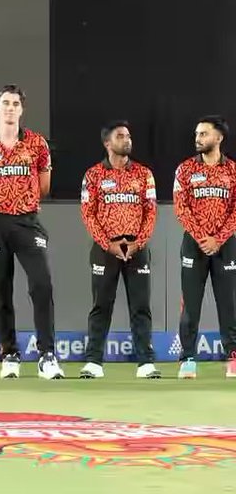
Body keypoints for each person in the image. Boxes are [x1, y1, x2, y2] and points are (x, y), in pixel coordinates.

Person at [0, 84, 62, 380]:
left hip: (27, 222)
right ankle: (9, 355)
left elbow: (44, 184)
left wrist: (24, 200)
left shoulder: (36, 144)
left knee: (41, 285)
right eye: (5, 103)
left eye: (15, 103)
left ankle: (47, 355)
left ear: (21, 109)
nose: (9, 108)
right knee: (1, 289)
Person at [78, 121, 159, 380]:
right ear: (107, 143)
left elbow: (151, 211)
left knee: (141, 306)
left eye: (128, 135)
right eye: (120, 136)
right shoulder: (93, 175)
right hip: (105, 249)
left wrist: (139, 242)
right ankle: (93, 362)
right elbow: (88, 214)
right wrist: (107, 243)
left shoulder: (144, 174)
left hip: (137, 248)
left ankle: (146, 363)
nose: (127, 140)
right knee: (101, 306)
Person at [172, 115, 236, 380]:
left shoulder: (232, 170)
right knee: (191, 303)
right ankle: (188, 358)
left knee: (229, 302)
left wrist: (218, 238)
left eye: (204, 134)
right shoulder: (185, 169)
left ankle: (232, 357)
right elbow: (181, 207)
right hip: (194, 245)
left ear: (219, 137)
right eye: (197, 134)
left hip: (226, 245)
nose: (198, 138)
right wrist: (202, 237)